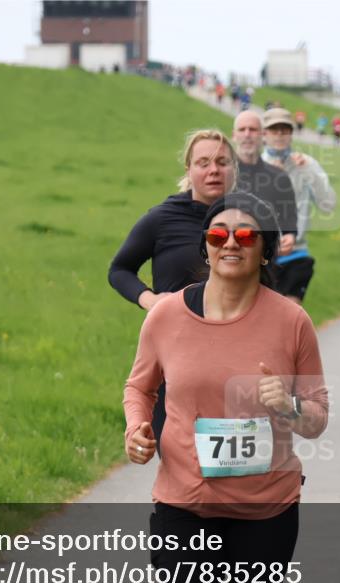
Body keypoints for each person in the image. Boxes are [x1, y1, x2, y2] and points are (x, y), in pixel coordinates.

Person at [124, 191, 329, 583]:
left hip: (266, 506)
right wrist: (136, 429)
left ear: (265, 249)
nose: (230, 243)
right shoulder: (166, 315)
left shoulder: (291, 321)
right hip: (184, 501)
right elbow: (139, 388)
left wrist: (291, 406)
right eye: (219, 234)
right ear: (205, 247)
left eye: (245, 235)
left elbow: (318, 417)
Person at [109, 129, 238, 445]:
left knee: (234, 470)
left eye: (222, 162)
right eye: (203, 162)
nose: (213, 170)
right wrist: (150, 300)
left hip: (236, 354)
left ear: (234, 169)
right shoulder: (162, 218)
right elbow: (119, 270)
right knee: (181, 457)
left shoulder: (247, 219)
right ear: (188, 170)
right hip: (177, 357)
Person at [262, 107, 337, 304]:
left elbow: (328, 204)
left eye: (284, 129)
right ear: (264, 134)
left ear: (291, 133)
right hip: (260, 256)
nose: (279, 134)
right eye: (274, 129)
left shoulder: (306, 163)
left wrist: (307, 171)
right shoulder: (254, 166)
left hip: (296, 253)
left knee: (290, 317)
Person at [233, 110, 298, 245]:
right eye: (242, 129)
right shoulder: (221, 174)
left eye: (253, 129)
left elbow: (289, 216)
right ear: (234, 135)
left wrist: (290, 236)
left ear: (263, 135)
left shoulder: (279, 176)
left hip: (265, 258)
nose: (247, 134)